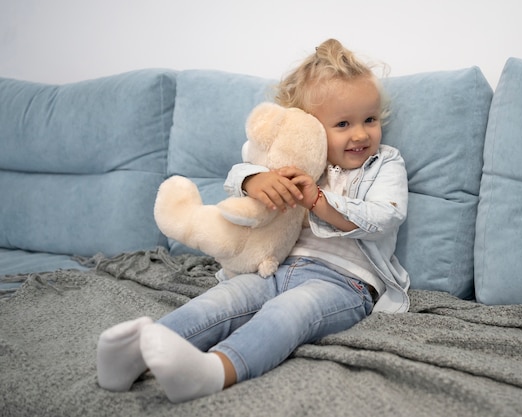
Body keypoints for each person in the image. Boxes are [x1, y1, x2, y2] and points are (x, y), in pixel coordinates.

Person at [96, 38, 410, 403]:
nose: (360, 133)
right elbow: (243, 167)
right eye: (343, 123)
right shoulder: (303, 159)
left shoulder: (386, 163)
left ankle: (215, 370)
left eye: (369, 120)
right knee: (222, 300)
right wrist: (253, 180)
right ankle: (134, 355)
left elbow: (386, 216)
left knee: (288, 312)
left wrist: (320, 201)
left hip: (345, 284)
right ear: (310, 127)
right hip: (274, 268)